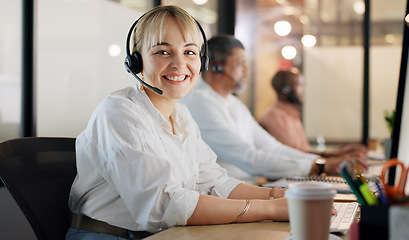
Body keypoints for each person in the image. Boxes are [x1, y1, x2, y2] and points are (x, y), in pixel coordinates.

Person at [66, 6, 291, 240]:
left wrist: (280, 195)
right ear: (136, 61)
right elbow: (164, 206)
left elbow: (214, 183)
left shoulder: (181, 116)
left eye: (190, 52)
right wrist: (271, 209)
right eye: (163, 52)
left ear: (202, 62)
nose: (179, 63)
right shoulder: (119, 112)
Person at [181, 35, 367, 184]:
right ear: (215, 66)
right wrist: (320, 167)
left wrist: (320, 163)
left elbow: (273, 147)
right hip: (225, 196)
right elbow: (249, 158)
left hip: (250, 188)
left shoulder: (234, 103)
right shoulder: (200, 103)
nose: (247, 71)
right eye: (240, 64)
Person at [259, 69, 368, 158]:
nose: (304, 90)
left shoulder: (291, 113)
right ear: (285, 89)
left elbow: (304, 151)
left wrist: (340, 152)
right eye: (300, 85)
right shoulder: (275, 116)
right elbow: (294, 154)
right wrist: (336, 154)